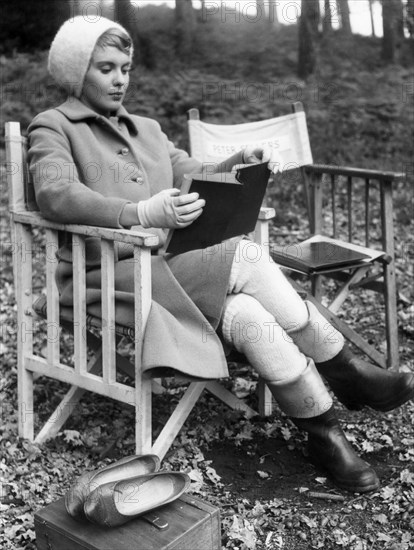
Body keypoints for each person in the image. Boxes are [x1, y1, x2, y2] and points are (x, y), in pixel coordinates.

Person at [28, 16, 414, 495]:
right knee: (248, 257)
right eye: (105, 68)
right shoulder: (53, 127)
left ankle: (323, 430)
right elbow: (55, 195)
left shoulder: (145, 129)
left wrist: (235, 163)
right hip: (106, 273)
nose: (120, 78)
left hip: (165, 267)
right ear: (74, 72)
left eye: (125, 67)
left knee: (247, 311)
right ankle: (345, 370)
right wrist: (140, 210)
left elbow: (193, 171)